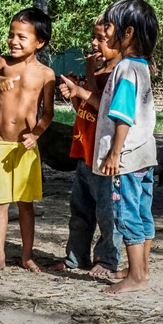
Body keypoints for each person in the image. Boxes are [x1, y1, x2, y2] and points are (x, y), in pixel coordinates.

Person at [60, 0, 158, 294]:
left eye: (110, 28)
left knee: (126, 214)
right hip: (144, 151)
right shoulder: (140, 66)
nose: (104, 33)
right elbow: (106, 104)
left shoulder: (125, 69)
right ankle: (141, 269)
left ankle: (136, 279)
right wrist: (81, 91)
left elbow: (122, 115)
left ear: (127, 34)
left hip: (126, 155)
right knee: (143, 212)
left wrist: (114, 153)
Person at [0, 7, 55, 274]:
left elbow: (48, 113)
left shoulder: (46, 74)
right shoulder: (3, 63)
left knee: (25, 204)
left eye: (22, 36)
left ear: (39, 42)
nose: (14, 41)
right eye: (11, 35)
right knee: (1, 203)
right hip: (1, 144)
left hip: (25, 147)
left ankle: (27, 255)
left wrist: (36, 135)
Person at [50, 16, 123, 278]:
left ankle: (107, 259)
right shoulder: (98, 70)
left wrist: (85, 86)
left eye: (101, 39)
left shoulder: (119, 74)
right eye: (94, 37)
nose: (93, 43)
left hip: (104, 155)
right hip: (85, 151)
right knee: (80, 209)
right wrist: (73, 94)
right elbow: (85, 110)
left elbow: (105, 107)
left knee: (107, 213)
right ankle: (75, 257)